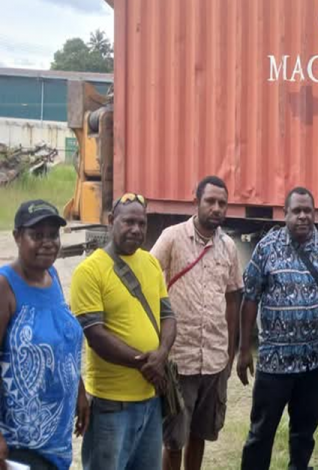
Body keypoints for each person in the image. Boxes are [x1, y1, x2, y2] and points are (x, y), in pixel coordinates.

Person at [237, 186, 318, 470]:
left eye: (308, 210)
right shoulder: (267, 248)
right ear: (285, 214)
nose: (303, 216)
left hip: (312, 364)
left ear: (314, 213)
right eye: (296, 211)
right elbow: (250, 298)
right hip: (274, 364)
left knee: (304, 434)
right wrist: (244, 349)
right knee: (261, 433)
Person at [71, 193, 178, 470]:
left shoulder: (151, 262)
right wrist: (146, 364)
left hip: (151, 400)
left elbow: (167, 315)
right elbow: (96, 336)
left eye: (141, 224)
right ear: (111, 221)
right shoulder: (89, 271)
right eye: (128, 222)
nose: (136, 229)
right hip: (111, 405)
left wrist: (162, 354)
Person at [150, 176, 243, 470]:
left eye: (222, 203)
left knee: (201, 434)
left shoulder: (228, 247)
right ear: (196, 202)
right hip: (179, 359)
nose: (216, 208)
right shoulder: (171, 238)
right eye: (210, 201)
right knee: (174, 440)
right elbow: (147, 280)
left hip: (214, 359)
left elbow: (232, 299)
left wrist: (230, 353)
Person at [0, 200, 87, 470]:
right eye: (37, 235)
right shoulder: (5, 285)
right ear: (17, 237)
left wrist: (79, 391)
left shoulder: (52, 275)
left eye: (53, 235)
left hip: (55, 442)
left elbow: (62, 342)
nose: (48, 243)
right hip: (18, 445)